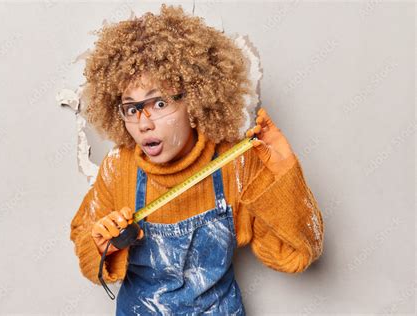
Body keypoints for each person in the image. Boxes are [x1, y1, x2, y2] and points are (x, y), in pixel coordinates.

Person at [69, 4, 324, 315]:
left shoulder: (234, 164)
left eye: (159, 103)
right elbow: (85, 249)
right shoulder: (118, 167)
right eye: (132, 108)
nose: (144, 123)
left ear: (195, 100)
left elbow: (296, 255)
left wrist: (285, 174)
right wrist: (103, 245)